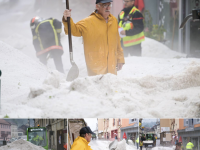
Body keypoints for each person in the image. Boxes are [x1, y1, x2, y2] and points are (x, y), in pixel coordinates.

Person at [63, 0, 125, 76]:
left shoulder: (114, 20)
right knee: (96, 86)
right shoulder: (88, 22)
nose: (108, 8)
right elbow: (73, 30)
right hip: (96, 67)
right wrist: (67, 19)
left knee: (111, 85)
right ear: (97, 6)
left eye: (109, 5)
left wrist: (120, 59)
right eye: (105, 5)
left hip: (112, 67)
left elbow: (117, 42)